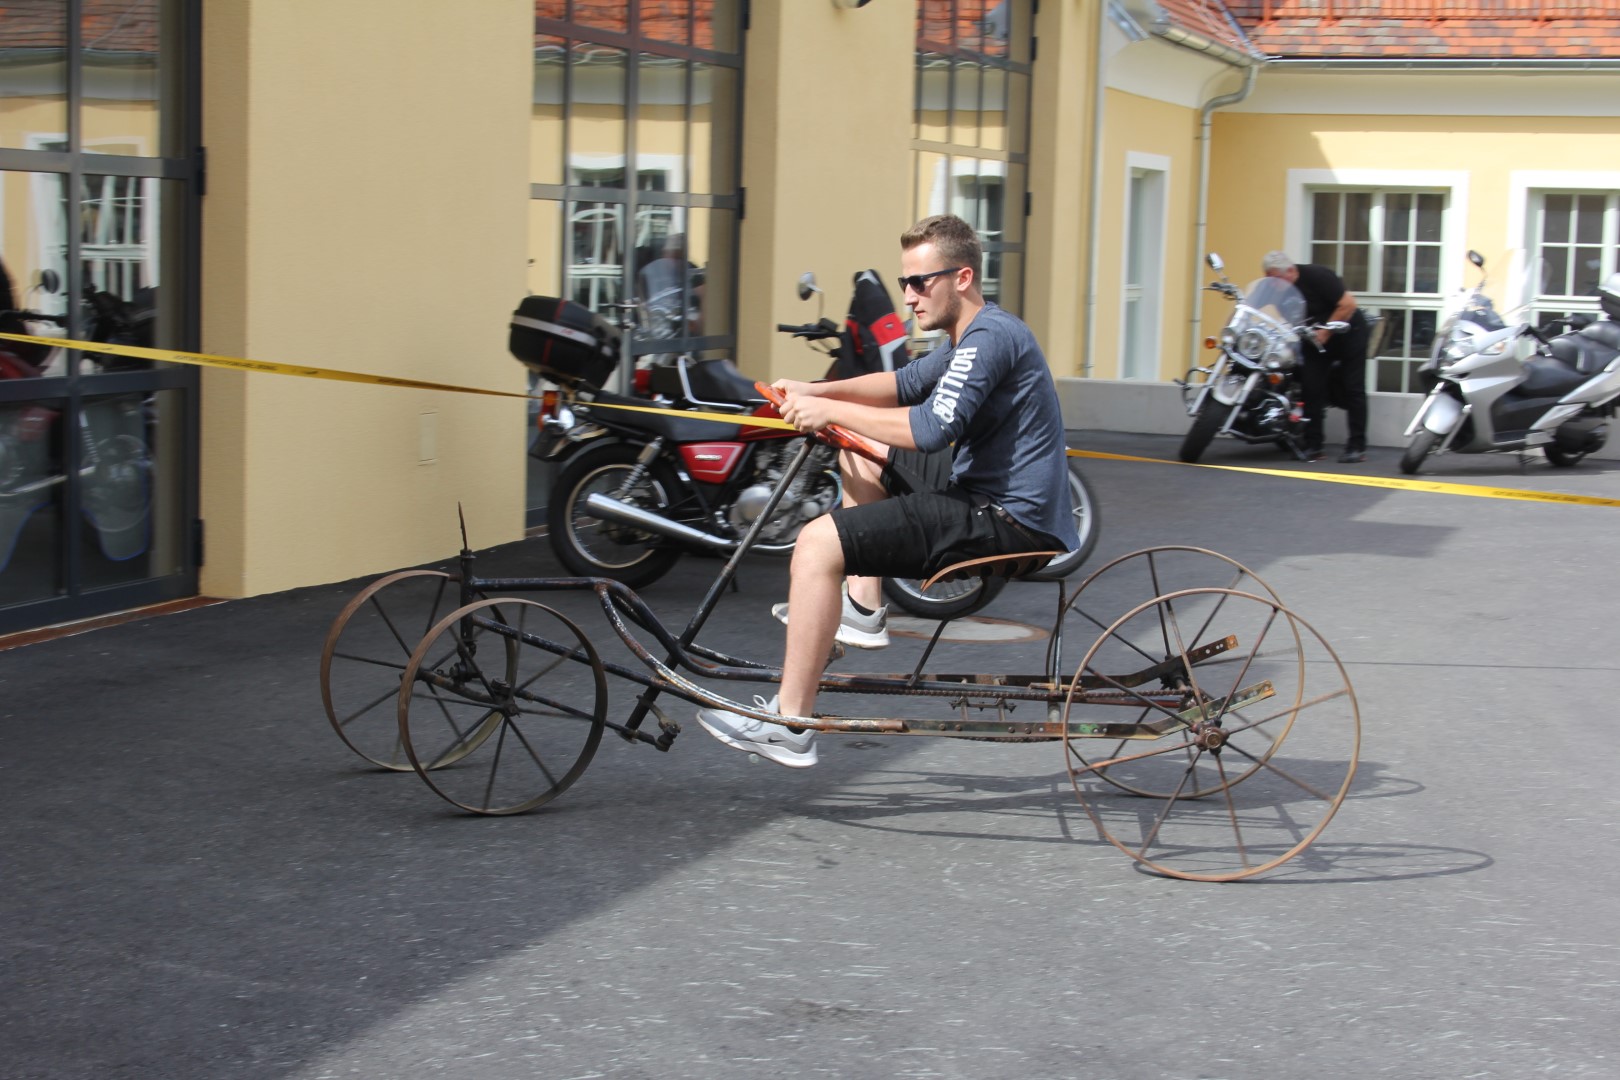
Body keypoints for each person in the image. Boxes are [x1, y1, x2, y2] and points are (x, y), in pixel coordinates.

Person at [695, 214, 1080, 768]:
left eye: (921, 282)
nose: (909, 297)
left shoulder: (991, 337)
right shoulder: (971, 335)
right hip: (987, 501)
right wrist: (813, 389)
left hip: (1005, 517)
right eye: (905, 283)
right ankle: (863, 607)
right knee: (857, 443)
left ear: (962, 278)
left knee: (815, 543)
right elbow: (902, 384)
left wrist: (826, 408)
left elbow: (929, 429)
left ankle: (790, 724)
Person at [1260, 251, 1371, 463]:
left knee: (1353, 387)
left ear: (1291, 271)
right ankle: (1313, 445)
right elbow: (1248, 307)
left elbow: (1348, 304)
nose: (1273, 285)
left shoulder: (1318, 276)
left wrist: (1326, 331)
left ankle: (1357, 446)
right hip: (1313, 338)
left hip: (1348, 333)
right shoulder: (1272, 287)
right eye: (1269, 279)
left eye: (1277, 279)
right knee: (1311, 388)